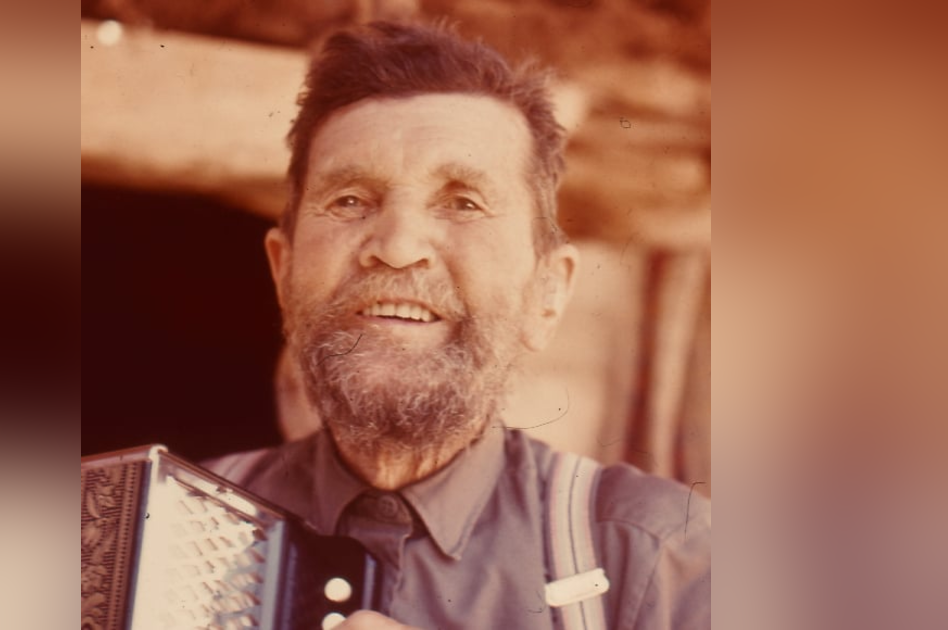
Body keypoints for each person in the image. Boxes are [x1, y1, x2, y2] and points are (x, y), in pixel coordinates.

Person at [203, 20, 710, 630]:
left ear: (547, 294)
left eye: (463, 202)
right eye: (350, 200)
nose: (397, 248)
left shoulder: (664, 557)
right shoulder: (172, 523)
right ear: (283, 274)